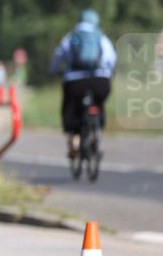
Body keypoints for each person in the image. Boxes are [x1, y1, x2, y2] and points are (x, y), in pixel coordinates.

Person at [49, 10, 117, 157]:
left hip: (75, 81)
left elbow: (58, 55)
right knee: (98, 103)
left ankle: (74, 139)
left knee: (70, 107)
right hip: (100, 80)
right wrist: (107, 73)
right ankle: (96, 132)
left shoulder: (71, 37)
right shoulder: (101, 37)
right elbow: (111, 59)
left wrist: (54, 71)